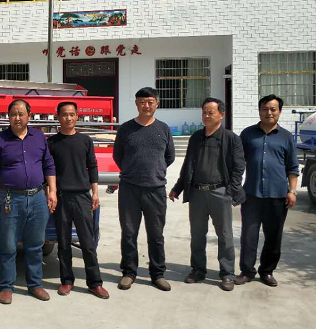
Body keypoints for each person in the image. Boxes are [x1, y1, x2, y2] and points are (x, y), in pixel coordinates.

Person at [169, 97, 246, 291]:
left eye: (211, 112)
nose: (206, 115)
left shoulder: (231, 138)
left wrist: (231, 191)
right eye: (204, 112)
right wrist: (178, 187)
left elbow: (239, 167)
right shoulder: (196, 137)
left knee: (225, 235)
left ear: (222, 114)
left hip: (220, 193)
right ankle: (198, 270)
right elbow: (188, 165)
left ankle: (227, 274)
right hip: (197, 194)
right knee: (197, 235)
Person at [0, 99, 57, 304]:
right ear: (8, 117)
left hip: (37, 197)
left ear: (29, 115)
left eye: (21, 114)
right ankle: (5, 287)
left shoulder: (39, 137)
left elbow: (48, 164)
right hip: (11, 198)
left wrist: (52, 191)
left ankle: (35, 284)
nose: (17, 118)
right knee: (8, 245)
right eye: (13, 114)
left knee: (35, 245)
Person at [113, 87, 175, 292]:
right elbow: (117, 156)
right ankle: (129, 272)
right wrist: (133, 171)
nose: (146, 106)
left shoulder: (163, 128)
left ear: (157, 104)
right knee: (129, 233)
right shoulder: (126, 129)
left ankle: (157, 274)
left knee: (156, 234)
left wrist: (154, 171)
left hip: (155, 190)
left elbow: (169, 157)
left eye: (150, 102)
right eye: (142, 102)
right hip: (129, 189)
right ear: (136, 104)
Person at [235, 94, 300, 287]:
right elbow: (238, 163)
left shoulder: (286, 137)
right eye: (265, 109)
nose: (269, 112)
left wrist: (292, 191)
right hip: (252, 194)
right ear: (259, 111)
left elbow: (293, 167)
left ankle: (267, 271)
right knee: (249, 235)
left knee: (273, 236)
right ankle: (247, 271)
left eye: (273, 109)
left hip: (278, 196)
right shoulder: (247, 134)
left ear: (279, 112)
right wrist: (235, 187)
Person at [47, 102, 109, 299]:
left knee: (88, 243)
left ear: (77, 116)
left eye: (72, 114)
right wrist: (51, 193)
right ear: (58, 117)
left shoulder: (85, 140)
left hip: (82, 196)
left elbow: (93, 166)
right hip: (61, 198)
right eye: (64, 114)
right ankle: (66, 280)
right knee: (64, 243)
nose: (68, 118)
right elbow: (49, 170)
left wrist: (95, 192)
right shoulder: (52, 142)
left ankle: (95, 283)